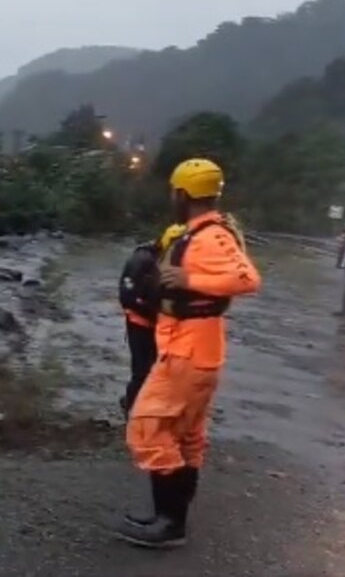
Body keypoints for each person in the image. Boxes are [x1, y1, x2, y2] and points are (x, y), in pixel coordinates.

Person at [116, 158, 262, 548]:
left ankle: (170, 521)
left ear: (183, 194)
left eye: (173, 192)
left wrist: (189, 278)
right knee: (186, 434)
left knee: (146, 428)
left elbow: (248, 279)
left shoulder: (211, 236)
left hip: (189, 352)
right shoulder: (194, 232)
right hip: (194, 348)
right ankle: (173, 516)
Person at [118, 224, 186, 416]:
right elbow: (127, 297)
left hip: (160, 324)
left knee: (160, 372)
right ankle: (130, 411)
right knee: (141, 371)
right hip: (139, 322)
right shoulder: (142, 260)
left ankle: (147, 407)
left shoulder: (175, 264)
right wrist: (158, 312)